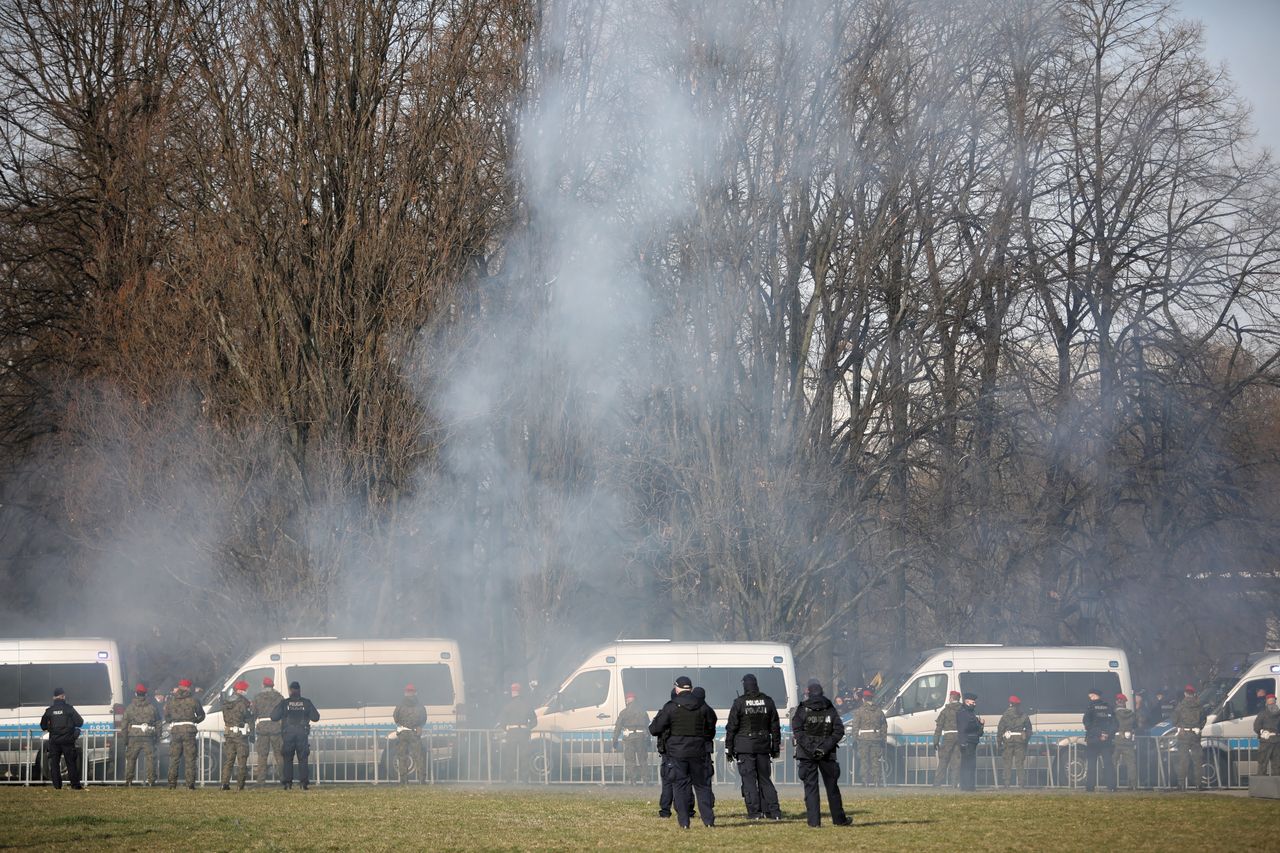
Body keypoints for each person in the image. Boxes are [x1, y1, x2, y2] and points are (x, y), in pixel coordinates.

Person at [648, 676, 716, 829]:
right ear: (690, 688)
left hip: (677, 753)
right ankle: (709, 821)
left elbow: (654, 729)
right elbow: (711, 726)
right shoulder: (702, 706)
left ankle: (684, 822)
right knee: (702, 786)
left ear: (677, 688)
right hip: (698, 752)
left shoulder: (671, 706)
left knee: (680, 787)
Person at [791, 680, 851, 827]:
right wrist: (823, 748)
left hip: (807, 754)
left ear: (808, 693)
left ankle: (814, 822)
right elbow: (839, 730)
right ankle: (839, 820)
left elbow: (798, 731)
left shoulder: (802, 709)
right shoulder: (830, 708)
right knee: (832, 788)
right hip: (827, 753)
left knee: (811, 788)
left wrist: (812, 749)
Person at [725, 673, 781, 819]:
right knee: (765, 779)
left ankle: (754, 812)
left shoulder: (739, 702)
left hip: (744, 747)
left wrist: (728, 749)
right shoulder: (768, 701)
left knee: (749, 780)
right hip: (763, 746)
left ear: (744, 685)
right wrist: (775, 747)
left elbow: (731, 727)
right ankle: (773, 812)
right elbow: (775, 726)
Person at [271, 681, 320, 790]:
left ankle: (288, 784)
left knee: (288, 759)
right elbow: (316, 717)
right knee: (303, 759)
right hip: (302, 734)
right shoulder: (306, 702)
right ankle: (303, 784)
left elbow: (273, 717)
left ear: (290, 690)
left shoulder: (285, 703)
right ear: (299, 690)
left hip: (288, 734)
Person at [40, 687, 84, 790]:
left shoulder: (49, 711)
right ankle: (75, 785)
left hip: (54, 741)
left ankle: (57, 786)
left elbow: (43, 726)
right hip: (68, 741)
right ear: (63, 696)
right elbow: (80, 722)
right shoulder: (69, 709)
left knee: (54, 764)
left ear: (54, 697)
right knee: (71, 763)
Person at [165, 678, 205, 789]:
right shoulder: (193, 700)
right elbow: (201, 715)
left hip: (176, 731)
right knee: (190, 758)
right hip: (189, 731)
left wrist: (174, 722)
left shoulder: (171, 701)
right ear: (188, 688)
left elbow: (167, 717)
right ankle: (190, 784)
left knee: (174, 758)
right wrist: (194, 721)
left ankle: (172, 784)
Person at [497, 682, 537, 783]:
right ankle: (525, 779)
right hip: (523, 732)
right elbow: (534, 721)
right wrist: (528, 728)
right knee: (524, 756)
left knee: (510, 756)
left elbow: (502, 722)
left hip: (512, 733)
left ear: (512, 692)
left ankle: (509, 778)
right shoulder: (526, 705)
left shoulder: (508, 706)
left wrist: (507, 729)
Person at [121, 683, 160, 786]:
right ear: (146, 694)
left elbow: (124, 724)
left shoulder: (129, 708)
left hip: (133, 736)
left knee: (131, 759)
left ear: (135, 693)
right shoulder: (152, 708)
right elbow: (158, 723)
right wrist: (157, 736)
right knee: (150, 759)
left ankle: (128, 780)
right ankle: (151, 781)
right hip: (148, 736)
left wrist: (125, 739)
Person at [219, 680, 253, 791]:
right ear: (241, 690)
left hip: (228, 733)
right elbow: (248, 717)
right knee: (242, 759)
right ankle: (240, 785)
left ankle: (224, 784)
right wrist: (252, 732)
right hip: (240, 734)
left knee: (229, 760)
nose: (246, 691)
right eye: (245, 690)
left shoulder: (226, 702)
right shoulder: (243, 703)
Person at [1171, 684, 1206, 791]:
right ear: (1194, 694)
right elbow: (1204, 719)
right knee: (1197, 761)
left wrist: (1180, 726)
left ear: (1185, 693)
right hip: (1195, 735)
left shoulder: (1180, 706)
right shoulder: (1199, 706)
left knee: (1183, 760)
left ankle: (1181, 784)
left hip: (1183, 735)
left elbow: (1174, 720)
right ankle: (1198, 785)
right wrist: (1198, 727)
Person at [612, 691, 651, 785]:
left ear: (628, 700)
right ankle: (646, 781)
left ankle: (633, 781)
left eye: (626, 699)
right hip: (641, 737)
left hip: (629, 738)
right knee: (643, 760)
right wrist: (648, 740)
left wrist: (615, 741)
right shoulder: (643, 711)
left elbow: (618, 727)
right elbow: (647, 726)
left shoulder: (624, 712)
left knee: (630, 760)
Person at [1083, 687, 1117, 792]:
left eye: (1090, 696)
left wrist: (1099, 734)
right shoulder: (1109, 707)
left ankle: (1090, 787)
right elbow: (1115, 724)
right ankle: (1111, 786)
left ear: (1093, 695)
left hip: (1093, 740)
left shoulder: (1091, 707)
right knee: (1108, 764)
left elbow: (1087, 724)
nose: (1090, 698)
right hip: (1106, 741)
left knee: (1092, 764)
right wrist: (1106, 734)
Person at [252, 676, 284, 785]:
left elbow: (253, 713)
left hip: (262, 729)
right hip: (276, 727)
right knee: (279, 754)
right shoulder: (279, 697)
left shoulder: (257, 697)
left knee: (262, 755)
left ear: (263, 685)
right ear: (272, 686)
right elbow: (283, 712)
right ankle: (283, 779)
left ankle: (261, 781)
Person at [852, 688, 887, 786]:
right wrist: (883, 739)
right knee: (875, 760)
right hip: (876, 738)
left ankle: (865, 782)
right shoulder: (879, 711)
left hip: (863, 739)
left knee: (864, 761)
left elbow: (855, 726)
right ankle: (876, 781)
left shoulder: (859, 711)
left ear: (863, 699)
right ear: (872, 698)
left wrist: (854, 739)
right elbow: (884, 726)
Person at [394, 683, 428, 784]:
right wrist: (419, 726)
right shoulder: (420, 706)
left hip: (403, 733)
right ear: (414, 692)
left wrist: (401, 725)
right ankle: (422, 780)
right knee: (419, 756)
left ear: (405, 692)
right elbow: (424, 718)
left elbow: (395, 717)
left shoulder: (400, 705)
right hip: (415, 733)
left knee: (402, 757)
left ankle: (403, 780)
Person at [997, 695, 1031, 787]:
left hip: (1008, 741)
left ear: (1010, 704)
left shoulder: (1005, 715)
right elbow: (1029, 730)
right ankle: (1021, 783)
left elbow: (1000, 729)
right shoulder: (1024, 715)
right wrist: (1026, 739)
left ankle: (1007, 783)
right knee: (1019, 763)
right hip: (1020, 741)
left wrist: (999, 742)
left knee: (1007, 762)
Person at [933, 690, 962, 786]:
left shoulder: (946, 711)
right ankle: (954, 784)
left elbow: (939, 726)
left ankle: (937, 783)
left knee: (943, 760)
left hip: (948, 737)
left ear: (951, 698)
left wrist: (936, 740)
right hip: (959, 737)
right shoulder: (962, 710)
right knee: (956, 762)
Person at [956, 692, 983, 791]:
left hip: (972, 742)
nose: (974, 704)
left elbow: (979, 733)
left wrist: (981, 725)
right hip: (967, 742)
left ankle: (970, 786)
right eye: (973, 702)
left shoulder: (971, 714)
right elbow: (963, 729)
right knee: (967, 766)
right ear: (967, 701)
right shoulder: (962, 713)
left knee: (971, 765)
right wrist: (963, 742)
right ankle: (967, 786)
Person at [1113, 693, 1138, 790]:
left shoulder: (1115, 713)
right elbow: (1135, 725)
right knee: (1131, 763)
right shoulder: (1131, 714)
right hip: (1128, 740)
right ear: (1125, 703)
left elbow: (1112, 725)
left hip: (1117, 740)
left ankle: (1113, 784)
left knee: (1113, 762)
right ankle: (1133, 785)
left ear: (1117, 702)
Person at [1254, 693, 1279, 775]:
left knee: (1262, 764)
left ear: (1266, 703)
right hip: (1277, 742)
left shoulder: (1262, 714)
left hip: (1266, 742)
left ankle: (1261, 785)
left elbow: (1256, 727)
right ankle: (1277, 786)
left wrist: (1262, 732)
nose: (1271, 702)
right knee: (1277, 765)